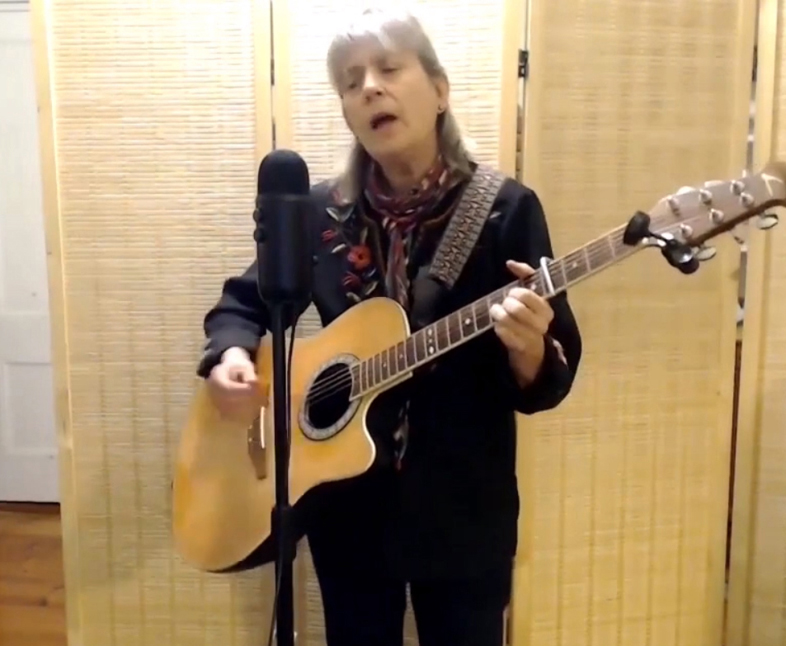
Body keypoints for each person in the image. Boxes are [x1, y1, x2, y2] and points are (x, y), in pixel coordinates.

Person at [197, 7, 582, 646]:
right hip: (345, 507)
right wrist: (230, 357)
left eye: (389, 68)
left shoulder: (506, 209)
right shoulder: (317, 214)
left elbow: (554, 370)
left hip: (464, 511)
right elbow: (242, 303)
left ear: (438, 91)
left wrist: (529, 351)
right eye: (351, 81)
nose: (369, 86)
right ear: (348, 113)